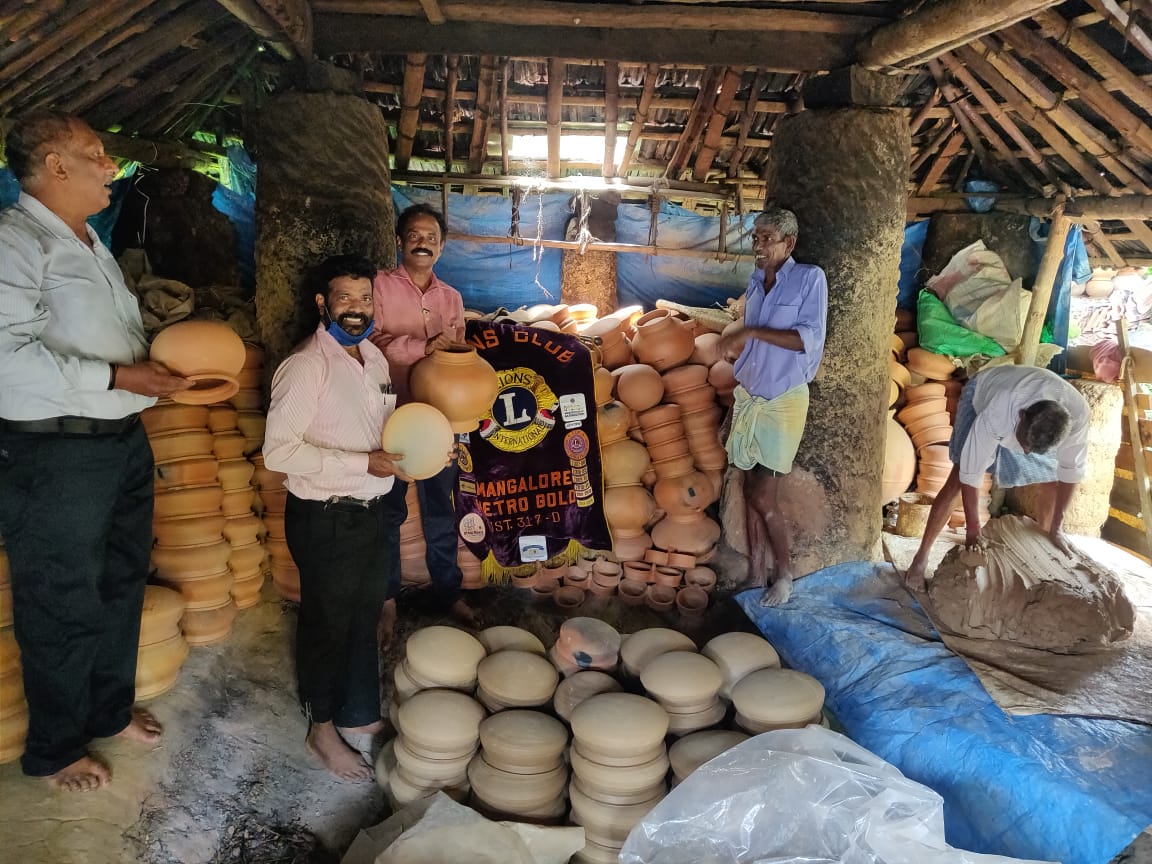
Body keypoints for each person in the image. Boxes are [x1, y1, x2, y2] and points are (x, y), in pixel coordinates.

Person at [0, 112, 191, 791]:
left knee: (119, 583)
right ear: (54, 165)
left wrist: (155, 370)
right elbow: (5, 362)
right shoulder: (15, 242)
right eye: (95, 154)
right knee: (60, 599)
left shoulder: (87, 241)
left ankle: (106, 711)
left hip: (118, 442)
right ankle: (54, 748)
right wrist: (119, 377)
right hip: (55, 456)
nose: (110, 166)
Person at [264, 254, 441, 780]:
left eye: (365, 299)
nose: (357, 309)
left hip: (370, 510)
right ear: (323, 304)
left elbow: (386, 437)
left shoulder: (374, 360)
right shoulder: (305, 366)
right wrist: (362, 463)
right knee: (327, 622)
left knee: (364, 615)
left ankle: (359, 714)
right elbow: (279, 453)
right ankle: (321, 730)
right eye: (345, 298)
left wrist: (427, 451)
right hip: (325, 515)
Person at [370, 203, 478, 625]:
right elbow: (368, 342)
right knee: (389, 512)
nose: (423, 243)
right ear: (400, 240)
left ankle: (447, 592)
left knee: (440, 508)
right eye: (414, 235)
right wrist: (420, 348)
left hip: (438, 418)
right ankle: (386, 599)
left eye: (431, 238)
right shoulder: (378, 286)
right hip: (388, 413)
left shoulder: (450, 298)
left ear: (442, 247)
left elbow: (458, 357)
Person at [718, 207, 828, 607]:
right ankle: (754, 572)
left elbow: (806, 340)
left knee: (764, 495)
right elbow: (757, 340)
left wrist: (747, 330)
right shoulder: (756, 281)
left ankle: (784, 574)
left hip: (783, 400)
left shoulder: (808, 279)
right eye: (756, 238)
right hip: (750, 395)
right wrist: (736, 349)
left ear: (789, 243)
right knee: (747, 490)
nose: (758, 246)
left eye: (767, 238)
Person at [903, 364, 1088, 591]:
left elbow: (1071, 471)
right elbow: (971, 473)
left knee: (1051, 480)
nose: (1026, 452)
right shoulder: (1001, 408)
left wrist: (1058, 527)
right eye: (1025, 445)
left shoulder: (1076, 417)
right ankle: (920, 560)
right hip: (981, 393)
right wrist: (973, 530)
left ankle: (1047, 548)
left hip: (1034, 412)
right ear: (1020, 417)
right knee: (957, 478)